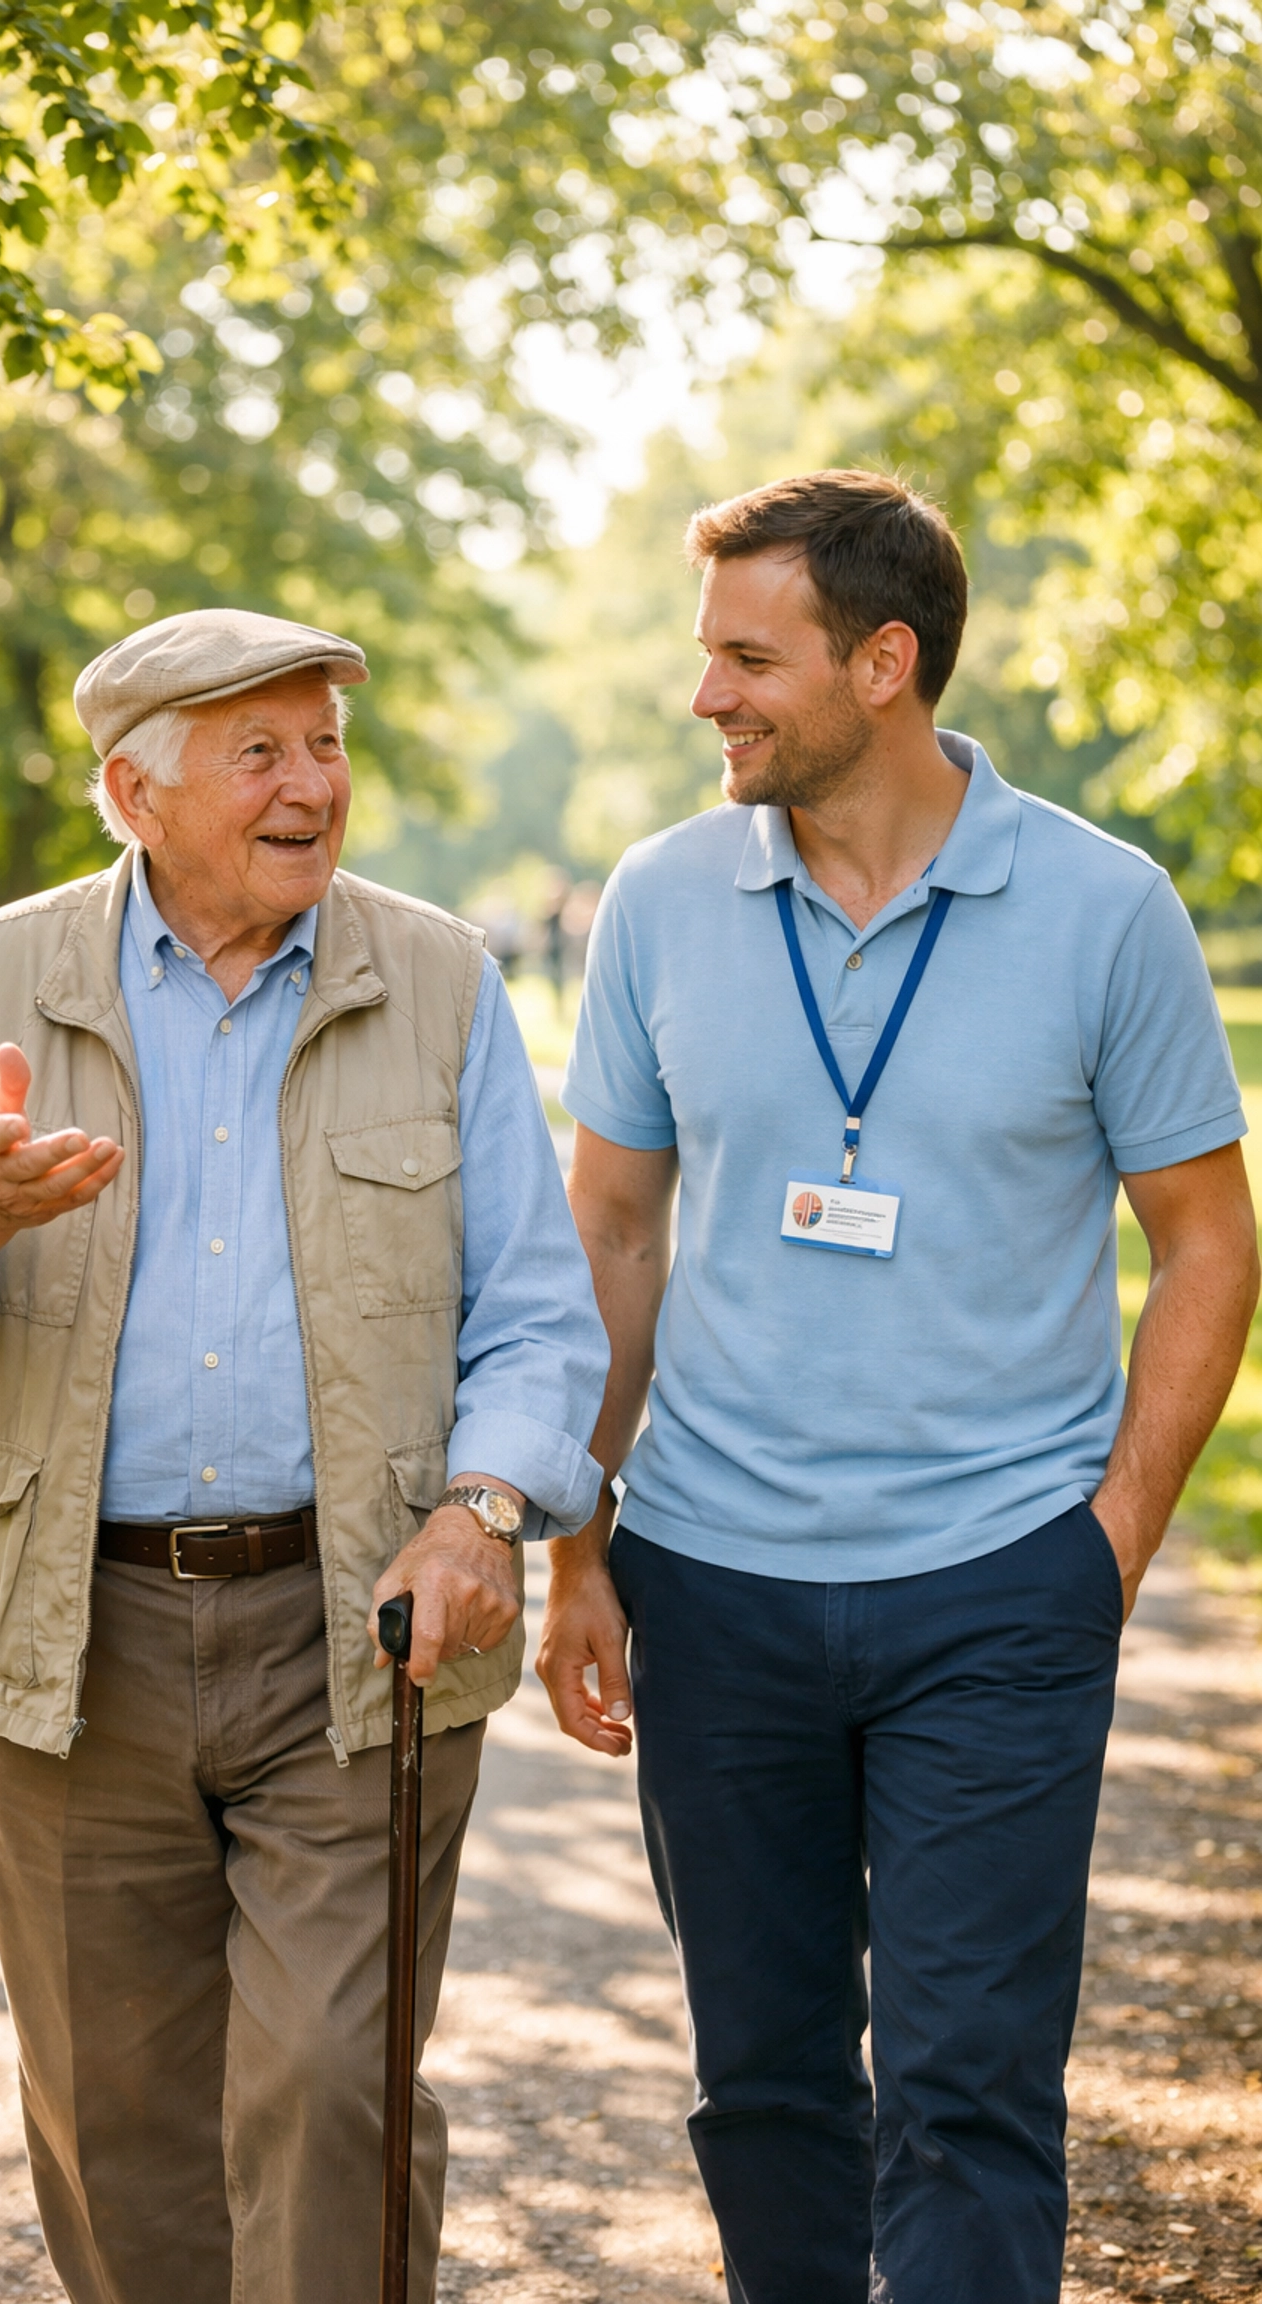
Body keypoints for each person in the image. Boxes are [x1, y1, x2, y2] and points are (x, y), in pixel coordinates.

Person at [0, 607, 609, 2304]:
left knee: (327, 2086)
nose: (312, 785)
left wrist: (483, 1516)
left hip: (357, 1626)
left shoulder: (442, 981)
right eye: (261, 753)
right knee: (116, 2123)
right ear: (136, 793)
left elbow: (540, 1315)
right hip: (74, 1637)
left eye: (326, 745)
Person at [536, 470, 1259, 2304]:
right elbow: (609, 1234)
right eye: (706, 655)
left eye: (747, 658)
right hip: (712, 1583)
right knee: (764, 2084)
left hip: (1001, 1587)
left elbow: (1207, 1242)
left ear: (883, 663)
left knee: (968, 2094)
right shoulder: (661, 899)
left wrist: (1106, 1544)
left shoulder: (1106, 909)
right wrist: (577, 1541)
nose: (705, 695)